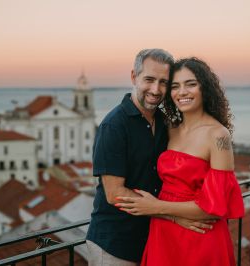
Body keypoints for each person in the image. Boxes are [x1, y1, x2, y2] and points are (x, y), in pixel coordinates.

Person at [86, 50, 214, 266]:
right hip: (115, 245)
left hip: (153, 240)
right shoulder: (114, 125)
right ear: (134, 77)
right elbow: (114, 194)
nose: (156, 90)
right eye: (149, 79)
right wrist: (173, 216)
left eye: (163, 82)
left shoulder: (164, 123)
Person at [116, 57, 245, 266]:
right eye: (175, 86)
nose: (182, 92)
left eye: (190, 84)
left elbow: (213, 208)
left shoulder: (218, 135)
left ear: (205, 88)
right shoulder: (169, 128)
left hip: (200, 233)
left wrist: (155, 207)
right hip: (164, 230)